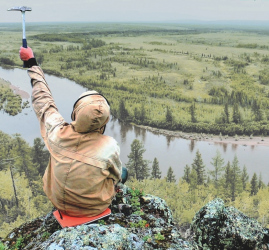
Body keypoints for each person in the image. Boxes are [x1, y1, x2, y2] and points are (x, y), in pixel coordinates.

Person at [19, 46, 125, 217]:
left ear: (76, 113)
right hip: (94, 209)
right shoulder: (109, 145)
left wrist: (31, 62)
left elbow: (43, 100)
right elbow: (117, 175)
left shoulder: (57, 133)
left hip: (57, 202)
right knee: (122, 172)